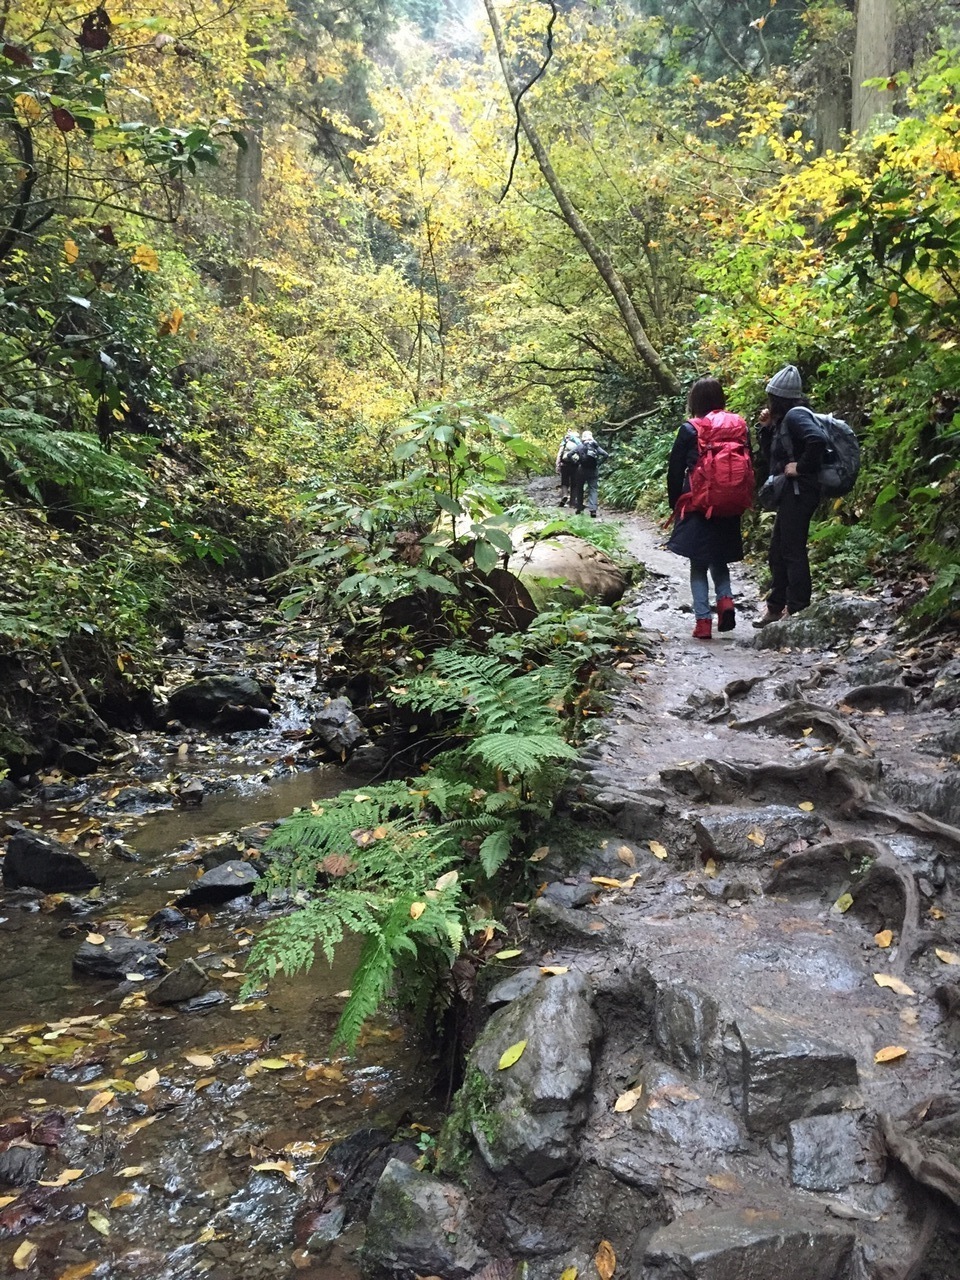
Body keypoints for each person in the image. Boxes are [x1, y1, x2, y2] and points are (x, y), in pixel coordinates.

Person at [667, 377, 747, 639]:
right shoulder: (738, 426)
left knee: (698, 563)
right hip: (729, 502)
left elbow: (675, 469)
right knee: (719, 556)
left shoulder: (691, 429)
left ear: (695, 401)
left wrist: (675, 503)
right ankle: (725, 601)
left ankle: (703, 622)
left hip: (698, 503)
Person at [754, 364, 828, 627]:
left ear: (777, 399)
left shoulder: (797, 417)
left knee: (792, 551)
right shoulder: (785, 421)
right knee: (778, 551)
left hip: (800, 493)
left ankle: (797, 610)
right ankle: (775, 608)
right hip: (791, 494)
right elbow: (772, 458)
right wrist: (766, 427)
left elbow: (817, 441)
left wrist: (801, 467)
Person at [571, 429, 608, 517]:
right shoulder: (595, 446)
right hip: (593, 470)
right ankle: (593, 510)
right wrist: (598, 464)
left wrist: (576, 463)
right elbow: (606, 455)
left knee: (579, 488)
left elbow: (569, 455)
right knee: (593, 489)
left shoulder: (579, 446)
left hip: (581, 470)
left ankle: (579, 507)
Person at [555, 430, 582, 506]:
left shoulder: (565, 442)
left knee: (564, 482)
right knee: (574, 483)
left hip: (565, 464)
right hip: (575, 465)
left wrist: (557, 464)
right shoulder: (578, 443)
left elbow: (560, 453)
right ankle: (573, 501)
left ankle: (565, 496)